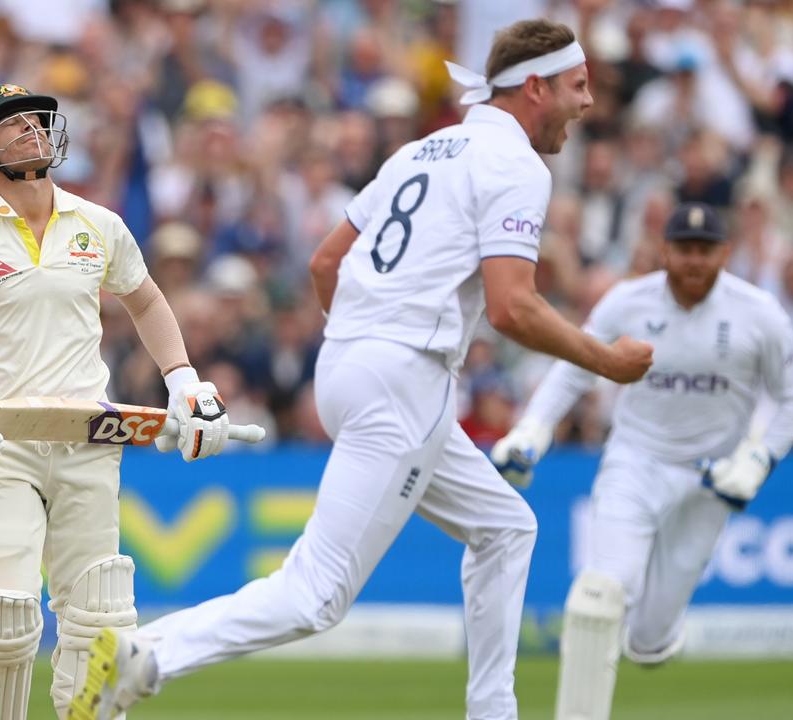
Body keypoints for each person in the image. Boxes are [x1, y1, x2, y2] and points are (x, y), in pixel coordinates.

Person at [71, 20, 654, 720]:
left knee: (506, 528)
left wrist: (360, 342)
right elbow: (512, 308)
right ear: (535, 87)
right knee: (316, 594)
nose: (588, 102)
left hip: (349, 362)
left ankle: (493, 710)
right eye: (578, 85)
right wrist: (607, 361)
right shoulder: (519, 166)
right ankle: (152, 653)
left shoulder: (421, 150)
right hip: (406, 374)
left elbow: (326, 263)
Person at [0, 83, 234, 720]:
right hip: (0, 446)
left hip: (90, 437)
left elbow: (145, 301)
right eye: (13, 123)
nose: (32, 128)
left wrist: (184, 379)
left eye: (37, 119)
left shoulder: (97, 224)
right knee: (2, 620)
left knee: (102, 619)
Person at [491, 202, 793, 720]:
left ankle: (658, 634)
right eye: (684, 249)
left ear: (724, 252)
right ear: (664, 250)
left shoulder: (758, 312)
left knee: (647, 642)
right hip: (636, 463)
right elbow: (575, 366)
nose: (693, 261)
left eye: (705, 250)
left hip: (712, 478)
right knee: (599, 594)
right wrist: (534, 426)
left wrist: (757, 460)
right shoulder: (627, 301)